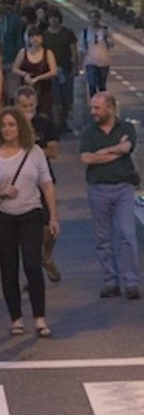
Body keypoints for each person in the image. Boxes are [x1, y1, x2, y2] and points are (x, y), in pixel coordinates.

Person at [0, 107, 58, 337]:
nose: (8, 129)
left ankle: (40, 318)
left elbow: (47, 184)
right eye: (4, 126)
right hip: (4, 219)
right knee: (9, 268)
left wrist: (53, 217)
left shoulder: (34, 153)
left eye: (12, 125)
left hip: (31, 214)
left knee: (32, 264)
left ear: (20, 126)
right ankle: (16, 319)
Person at [79, 92, 140, 299]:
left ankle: (131, 282)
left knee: (127, 235)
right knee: (103, 238)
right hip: (98, 189)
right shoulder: (89, 132)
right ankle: (110, 281)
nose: (93, 112)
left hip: (123, 188)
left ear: (111, 109)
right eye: (92, 108)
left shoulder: (127, 128)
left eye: (97, 108)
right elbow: (87, 159)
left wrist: (101, 153)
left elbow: (128, 147)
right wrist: (116, 150)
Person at [16, 86, 61, 281]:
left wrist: (32, 148)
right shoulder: (10, 125)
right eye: (24, 106)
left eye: (31, 105)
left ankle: (46, 257)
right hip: (20, 183)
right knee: (27, 230)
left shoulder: (45, 124)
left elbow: (53, 152)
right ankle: (31, 271)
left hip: (43, 180)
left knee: (50, 226)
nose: (28, 109)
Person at [12, 28, 57, 121]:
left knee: (43, 116)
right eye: (32, 36)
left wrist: (38, 78)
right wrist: (25, 75)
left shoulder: (48, 53)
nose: (35, 39)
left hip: (44, 89)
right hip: (27, 89)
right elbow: (15, 68)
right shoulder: (23, 52)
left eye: (38, 36)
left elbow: (53, 71)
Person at [79, 9, 113, 101]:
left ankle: (104, 103)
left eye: (95, 17)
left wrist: (107, 37)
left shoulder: (104, 31)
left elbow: (111, 45)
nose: (94, 20)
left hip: (103, 62)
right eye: (91, 17)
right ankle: (94, 103)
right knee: (92, 83)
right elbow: (82, 48)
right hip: (90, 62)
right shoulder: (85, 32)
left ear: (99, 18)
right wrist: (80, 63)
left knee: (102, 85)